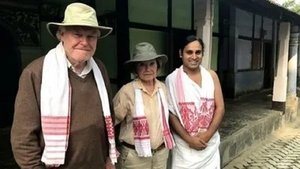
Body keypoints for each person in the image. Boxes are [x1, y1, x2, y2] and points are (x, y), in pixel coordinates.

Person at [11, 3, 117, 169]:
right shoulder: (36, 73)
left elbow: (109, 115)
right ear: (61, 34)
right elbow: (23, 137)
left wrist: (110, 158)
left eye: (91, 36)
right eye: (77, 34)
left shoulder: (100, 69)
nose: (84, 42)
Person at [165, 35, 225, 169]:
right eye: (189, 52)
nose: (194, 56)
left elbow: (220, 107)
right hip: (184, 149)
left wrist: (207, 135)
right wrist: (189, 139)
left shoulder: (211, 76)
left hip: (209, 145)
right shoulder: (172, 79)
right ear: (181, 53)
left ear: (202, 54)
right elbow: (171, 114)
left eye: (198, 52)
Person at [113, 42, 175, 169]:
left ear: (158, 66)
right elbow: (111, 121)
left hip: (160, 154)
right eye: (142, 64)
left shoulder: (163, 89)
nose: (148, 69)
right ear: (135, 69)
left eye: (152, 63)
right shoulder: (127, 91)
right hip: (134, 158)